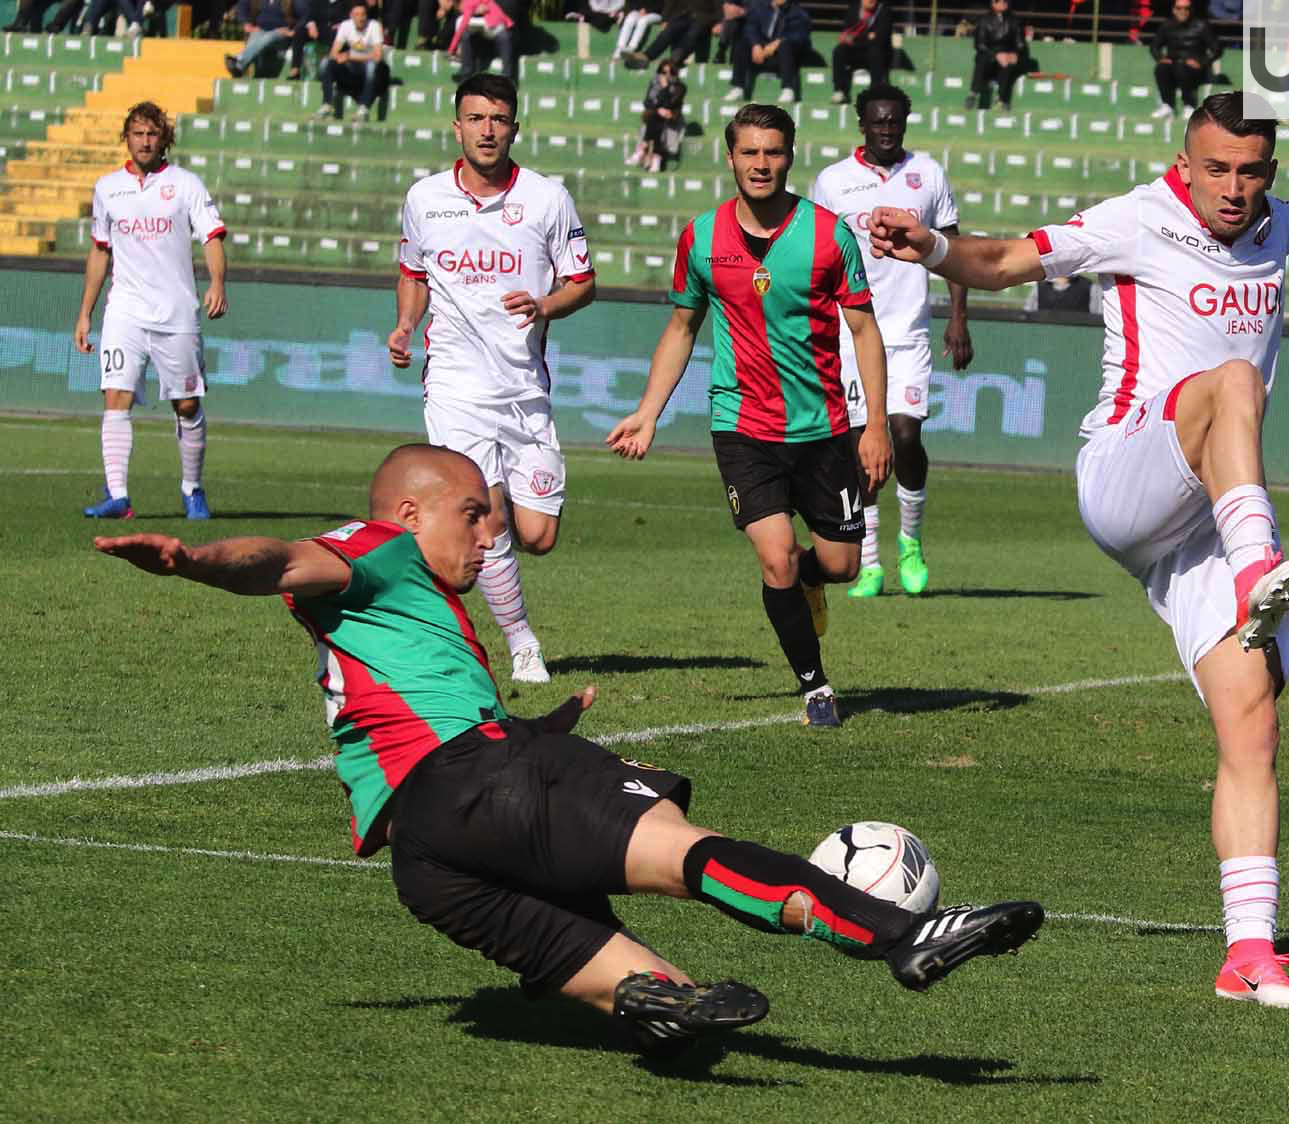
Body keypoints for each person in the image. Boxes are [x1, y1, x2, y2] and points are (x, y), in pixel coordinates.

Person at [93, 443, 1045, 1055]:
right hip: (482, 784)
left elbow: (417, 727)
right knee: (684, 846)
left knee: (661, 987)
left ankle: (653, 1005)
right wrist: (192, 561)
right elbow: (279, 561)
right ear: (412, 512)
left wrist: (540, 731)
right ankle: (900, 934)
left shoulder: (403, 617)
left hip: (426, 862)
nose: (490, 526)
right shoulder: (374, 547)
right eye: (472, 510)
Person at [870, 91, 1289, 1009]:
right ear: (1187, 160)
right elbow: (1012, 258)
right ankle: (1260, 568)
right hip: (1130, 470)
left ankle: (1247, 953)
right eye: (1216, 167)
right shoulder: (1139, 216)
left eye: (1251, 171)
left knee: (1252, 724)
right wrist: (933, 250)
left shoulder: (1273, 225)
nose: (1232, 186)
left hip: (1209, 514)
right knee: (1231, 380)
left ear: (1269, 173)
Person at [606, 104, 890, 729]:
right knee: (775, 557)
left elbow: (865, 331)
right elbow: (683, 327)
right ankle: (815, 686)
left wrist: (877, 425)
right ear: (730, 157)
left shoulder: (829, 236)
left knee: (840, 564)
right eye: (750, 152)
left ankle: (808, 582)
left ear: (790, 156)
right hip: (742, 426)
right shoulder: (702, 238)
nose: (762, 164)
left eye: (774, 152)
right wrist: (648, 413)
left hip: (824, 427)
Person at [387, 74, 595, 684]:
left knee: (539, 534)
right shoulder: (424, 198)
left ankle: (511, 622)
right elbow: (413, 273)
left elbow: (583, 282)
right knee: (485, 516)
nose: (487, 130)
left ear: (514, 127)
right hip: (455, 385)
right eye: (475, 118)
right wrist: (404, 324)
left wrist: (545, 305)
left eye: (498, 119)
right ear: (457, 126)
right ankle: (520, 641)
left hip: (525, 391)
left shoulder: (547, 199)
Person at [811, 84, 971, 599]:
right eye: (877, 121)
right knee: (863, 448)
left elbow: (955, 249)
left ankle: (911, 543)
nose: (886, 128)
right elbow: (816, 256)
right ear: (862, 122)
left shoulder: (928, 176)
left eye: (894, 121)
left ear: (904, 121)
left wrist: (958, 318)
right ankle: (872, 561)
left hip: (908, 331)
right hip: (851, 333)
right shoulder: (833, 182)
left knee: (904, 433)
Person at [75, 101, 227, 522]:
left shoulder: (186, 185)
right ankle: (118, 496)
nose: (145, 141)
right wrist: (85, 312)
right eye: (138, 133)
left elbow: (212, 238)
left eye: (152, 134)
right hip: (124, 310)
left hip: (176, 311)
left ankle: (192, 489)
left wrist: (217, 282)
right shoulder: (107, 188)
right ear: (126, 137)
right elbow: (99, 251)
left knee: (186, 404)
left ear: (165, 140)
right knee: (115, 395)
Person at [724, 0, 809, 105]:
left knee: (785, 45)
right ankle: (738, 87)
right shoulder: (760, 9)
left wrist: (779, 41)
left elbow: (800, 35)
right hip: (761, 53)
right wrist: (756, 44)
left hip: (783, 56)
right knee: (742, 44)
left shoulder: (797, 12)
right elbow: (750, 27)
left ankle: (788, 89)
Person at [315, 2, 388, 122]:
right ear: (351, 16)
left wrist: (350, 56)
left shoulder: (374, 26)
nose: (361, 18)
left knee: (371, 66)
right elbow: (334, 53)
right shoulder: (345, 25)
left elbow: (377, 56)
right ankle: (327, 104)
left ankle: (363, 109)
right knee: (326, 63)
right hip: (352, 69)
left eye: (363, 14)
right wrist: (341, 57)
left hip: (372, 69)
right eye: (357, 15)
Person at [1148, 0, 1215, 120]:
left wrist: (1201, 62)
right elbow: (1154, 46)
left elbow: (1216, 49)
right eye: (1179, 8)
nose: (1182, 12)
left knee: (1182, 68)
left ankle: (1189, 106)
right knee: (1161, 68)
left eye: (1186, 8)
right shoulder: (1167, 26)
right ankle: (1167, 105)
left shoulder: (1202, 26)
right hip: (1173, 65)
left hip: (1195, 68)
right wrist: (1160, 58)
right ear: (1174, 10)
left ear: (1191, 10)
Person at [626, 60, 686, 172]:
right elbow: (647, 102)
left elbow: (670, 104)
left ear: (675, 73)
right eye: (664, 72)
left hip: (671, 118)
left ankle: (642, 149)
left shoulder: (680, 87)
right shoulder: (654, 83)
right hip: (655, 115)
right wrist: (658, 109)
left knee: (656, 119)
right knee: (655, 118)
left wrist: (665, 88)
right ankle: (656, 159)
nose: (667, 75)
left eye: (670, 73)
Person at [829, 0, 891, 105]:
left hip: (875, 52)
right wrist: (867, 37)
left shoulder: (883, 11)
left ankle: (874, 92)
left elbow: (881, 37)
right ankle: (840, 91)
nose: (871, 0)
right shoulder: (853, 9)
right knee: (839, 50)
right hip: (856, 50)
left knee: (875, 51)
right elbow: (846, 32)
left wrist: (856, 39)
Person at [966, 0, 1025, 111]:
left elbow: (1019, 43)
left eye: (1006, 1)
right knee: (981, 60)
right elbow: (979, 44)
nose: (1005, 3)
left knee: (1008, 64)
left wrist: (1014, 54)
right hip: (988, 55)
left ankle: (1000, 99)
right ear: (993, 4)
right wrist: (996, 54)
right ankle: (973, 94)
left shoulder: (1014, 21)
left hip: (1006, 55)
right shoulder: (984, 20)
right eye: (1001, 1)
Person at [223, 0, 303, 78]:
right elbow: (241, 6)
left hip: (281, 35)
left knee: (271, 35)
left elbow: (305, 15)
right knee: (255, 35)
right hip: (260, 32)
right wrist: (246, 24)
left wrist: (293, 30)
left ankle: (240, 60)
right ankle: (240, 67)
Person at [449, 0, 518, 83]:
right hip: (483, 27)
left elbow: (462, 25)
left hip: (495, 27)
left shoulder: (468, 3)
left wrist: (452, 48)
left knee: (504, 37)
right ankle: (466, 76)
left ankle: (507, 78)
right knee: (466, 34)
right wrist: (474, 11)